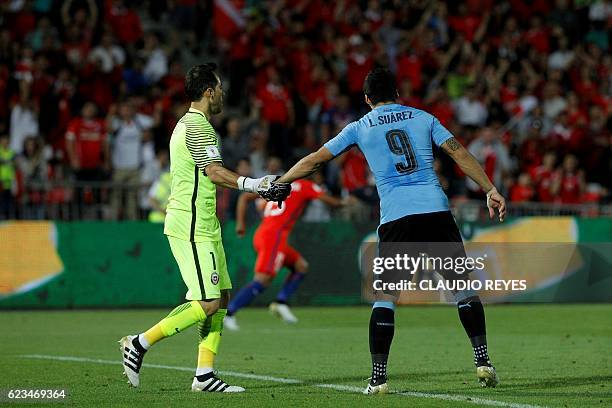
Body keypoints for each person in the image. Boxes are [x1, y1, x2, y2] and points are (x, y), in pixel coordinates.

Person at [275, 68, 506, 394]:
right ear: (398, 94)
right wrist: (489, 189)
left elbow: (316, 160)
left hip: (397, 218)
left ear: (367, 99)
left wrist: (281, 181)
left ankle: (379, 378)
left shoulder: (358, 127)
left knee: (386, 297)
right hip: (436, 212)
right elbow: (458, 153)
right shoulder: (423, 118)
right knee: (462, 290)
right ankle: (483, 361)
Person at [119, 63, 289, 393]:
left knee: (221, 297)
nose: (223, 93)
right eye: (220, 87)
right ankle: (138, 344)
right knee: (209, 301)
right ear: (209, 91)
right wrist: (255, 184)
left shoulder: (194, 125)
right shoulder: (197, 126)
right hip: (192, 223)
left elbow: (209, 174)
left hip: (205, 224)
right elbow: (213, 171)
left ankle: (204, 375)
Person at [224, 175, 344, 330]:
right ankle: (229, 313)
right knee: (263, 279)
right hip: (274, 237)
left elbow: (245, 197)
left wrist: (241, 223)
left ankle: (280, 302)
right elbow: (330, 201)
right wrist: (344, 202)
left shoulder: (279, 182)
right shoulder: (304, 185)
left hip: (264, 233)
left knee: (301, 266)